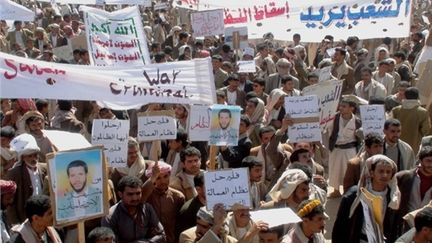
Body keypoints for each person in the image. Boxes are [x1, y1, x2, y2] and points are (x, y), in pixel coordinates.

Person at [332, 155, 400, 243]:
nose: (385, 175)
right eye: (381, 171)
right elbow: (340, 225)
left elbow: (395, 227)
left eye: (388, 172)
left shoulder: (394, 198)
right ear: (371, 173)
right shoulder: (355, 195)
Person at [102, 176, 166, 242]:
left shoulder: (147, 209)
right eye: (130, 194)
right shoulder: (110, 216)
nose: (135, 198)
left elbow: (162, 235)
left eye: (138, 193)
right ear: (120, 194)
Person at [6, 134, 47, 224]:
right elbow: (10, 202)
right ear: (23, 157)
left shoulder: (45, 168)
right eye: (29, 156)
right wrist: (15, 223)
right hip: (24, 218)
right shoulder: (14, 173)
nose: (33, 159)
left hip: (44, 215)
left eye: (35, 155)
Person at [141, 161, 185, 243]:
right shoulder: (147, 195)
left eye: (165, 176)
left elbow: (180, 223)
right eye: (158, 178)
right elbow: (141, 196)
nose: (163, 181)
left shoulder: (178, 197)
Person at [327, 98, 362, 197]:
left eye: (344, 106)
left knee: (349, 171)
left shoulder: (357, 121)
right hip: (336, 148)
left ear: (351, 108)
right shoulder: (334, 118)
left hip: (350, 150)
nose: (341, 108)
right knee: (335, 171)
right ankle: (336, 191)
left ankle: (349, 191)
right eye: (340, 106)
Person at [396, 145, 432, 236]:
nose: (431, 165)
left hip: (428, 228)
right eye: (428, 161)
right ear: (420, 161)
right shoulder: (403, 177)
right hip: (406, 225)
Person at [391, 87, 431, 154]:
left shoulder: (396, 110)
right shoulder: (423, 112)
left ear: (405, 96)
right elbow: (426, 130)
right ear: (418, 97)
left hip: (397, 146)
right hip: (414, 148)